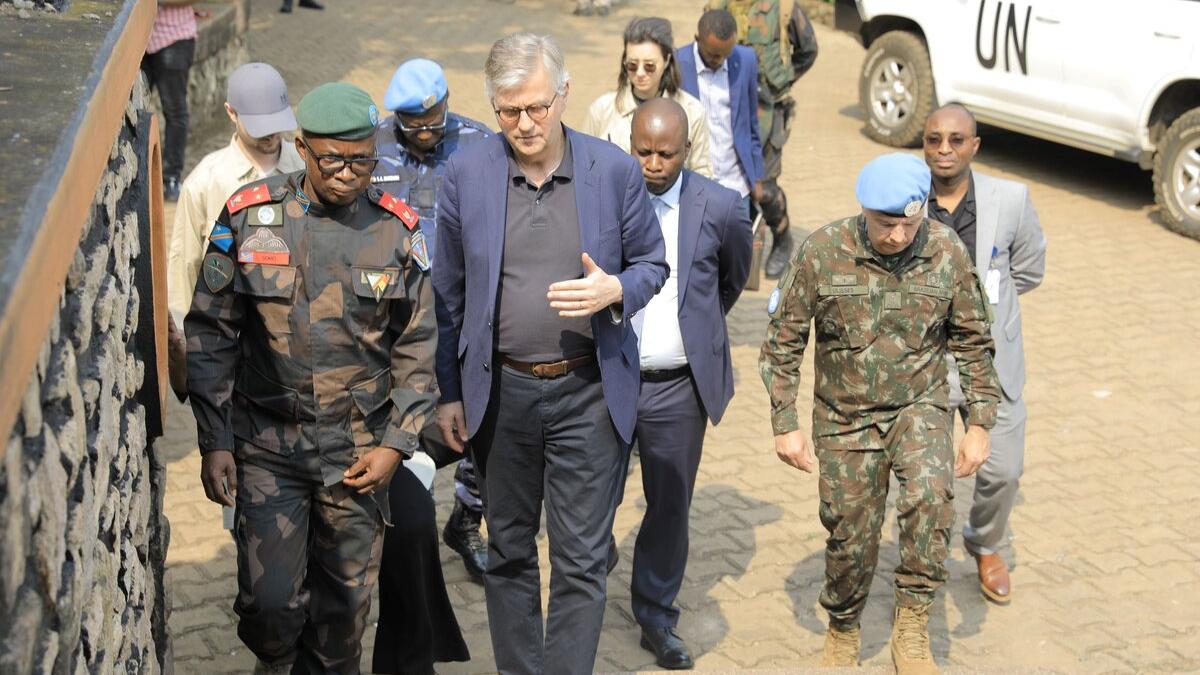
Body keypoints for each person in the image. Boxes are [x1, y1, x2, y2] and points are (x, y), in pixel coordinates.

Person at [432, 33, 668, 675]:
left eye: (537, 106)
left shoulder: (612, 171)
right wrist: (449, 391)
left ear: (562, 94)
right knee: (508, 551)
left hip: (588, 392)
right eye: (509, 111)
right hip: (500, 395)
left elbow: (654, 262)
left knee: (582, 560)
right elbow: (447, 293)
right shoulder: (467, 173)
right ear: (493, 107)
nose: (526, 123)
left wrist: (616, 288)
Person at [186, 82, 436, 674]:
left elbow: (417, 345)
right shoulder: (250, 218)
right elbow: (211, 332)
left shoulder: (397, 230)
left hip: (358, 453)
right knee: (270, 607)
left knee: (343, 617)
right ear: (302, 149)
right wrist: (214, 440)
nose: (349, 174)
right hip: (267, 447)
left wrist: (396, 445)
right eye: (332, 160)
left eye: (362, 159)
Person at [759, 153, 1000, 673]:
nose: (895, 235)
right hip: (845, 417)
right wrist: (786, 423)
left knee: (931, 499)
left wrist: (979, 422)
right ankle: (844, 624)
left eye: (907, 224)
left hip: (920, 406)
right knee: (850, 533)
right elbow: (783, 342)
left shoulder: (945, 250)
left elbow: (975, 341)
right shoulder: (824, 251)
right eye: (884, 223)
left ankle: (912, 625)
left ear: (924, 213)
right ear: (864, 210)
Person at [626, 98, 752, 670]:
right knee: (585, 494)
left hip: (677, 388)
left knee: (669, 503)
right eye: (643, 151)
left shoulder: (723, 207)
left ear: (688, 150)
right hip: (608, 378)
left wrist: (686, 334)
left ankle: (655, 612)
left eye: (665, 154)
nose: (653, 163)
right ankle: (584, 576)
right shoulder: (606, 196)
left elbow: (731, 281)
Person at [374, 57, 493, 583]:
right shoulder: (372, 147)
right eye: (412, 124)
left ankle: (467, 518)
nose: (425, 132)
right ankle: (393, 519)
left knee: (481, 424)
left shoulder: (479, 143)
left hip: (466, 312)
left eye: (433, 119)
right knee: (399, 423)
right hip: (393, 316)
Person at [923, 104, 1046, 605]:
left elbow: (1030, 271)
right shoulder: (906, 196)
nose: (944, 150)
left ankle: (986, 542)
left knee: (1004, 471)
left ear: (975, 145)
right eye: (934, 140)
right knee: (926, 478)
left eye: (956, 140)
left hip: (992, 362)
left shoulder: (1011, 200)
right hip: (925, 361)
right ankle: (921, 562)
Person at [168, 62, 304, 331]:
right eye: (259, 125)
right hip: (229, 335)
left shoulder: (305, 170)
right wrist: (184, 345)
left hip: (295, 335)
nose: (271, 134)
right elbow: (184, 267)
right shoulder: (204, 182)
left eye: (276, 122)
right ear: (231, 112)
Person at [705, 0, 817, 279]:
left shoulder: (784, 7)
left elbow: (809, 49)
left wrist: (783, 79)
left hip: (767, 110)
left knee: (762, 188)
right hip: (728, 108)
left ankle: (782, 238)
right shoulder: (719, 6)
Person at [582, 17, 713, 179]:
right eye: (632, 65)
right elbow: (584, 167)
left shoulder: (692, 111)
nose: (640, 73)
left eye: (649, 66)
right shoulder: (601, 110)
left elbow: (702, 173)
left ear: (666, 61)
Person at [676, 9, 764, 218]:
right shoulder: (677, 63)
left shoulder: (746, 60)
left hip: (737, 183)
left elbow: (752, 122)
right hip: (694, 182)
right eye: (714, 55)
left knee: (738, 249)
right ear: (697, 40)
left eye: (726, 54)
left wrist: (757, 177)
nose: (720, 60)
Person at [141, 0, 199, 201]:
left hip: (174, 38)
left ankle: (171, 178)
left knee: (175, 113)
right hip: (138, 39)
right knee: (131, 112)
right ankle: (138, 175)